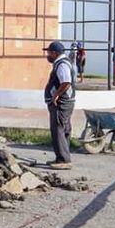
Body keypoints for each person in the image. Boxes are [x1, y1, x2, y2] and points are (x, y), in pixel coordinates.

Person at [43, 41, 75, 170]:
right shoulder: (62, 63)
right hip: (64, 102)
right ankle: (61, 157)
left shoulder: (62, 64)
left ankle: (63, 159)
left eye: (49, 52)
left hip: (61, 102)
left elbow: (66, 82)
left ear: (55, 53)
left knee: (58, 129)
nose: (47, 55)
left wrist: (55, 95)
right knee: (63, 129)